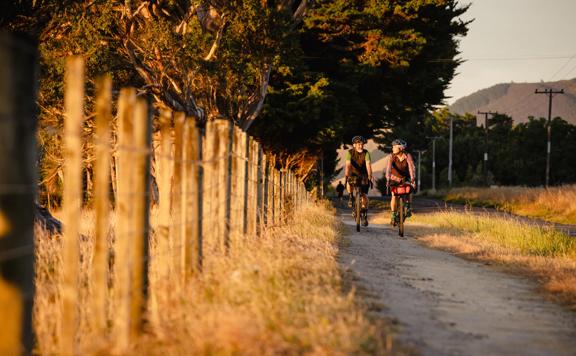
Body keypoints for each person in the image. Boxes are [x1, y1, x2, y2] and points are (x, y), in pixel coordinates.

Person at [385, 139, 416, 226]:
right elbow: (388, 168)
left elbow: (411, 167)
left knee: (410, 189)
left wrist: (413, 178)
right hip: (393, 179)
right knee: (394, 196)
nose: (393, 148)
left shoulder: (407, 156)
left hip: (405, 178)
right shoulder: (391, 156)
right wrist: (387, 177)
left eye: (394, 147)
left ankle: (408, 206)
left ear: (401, 148)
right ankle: (394, 214)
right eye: (393, 146)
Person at [344, 135, 373, 226]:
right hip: (353, 174)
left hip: (364, 175)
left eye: (362, 144)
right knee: (349, 181)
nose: (361, 145)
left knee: (364, 195)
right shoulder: (350, 153)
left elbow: (368, 165)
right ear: (354, 145)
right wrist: (346, 175)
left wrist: (370, 175)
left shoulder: (366, 153)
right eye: (358, 144)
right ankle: (350, 197)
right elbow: (348, 165)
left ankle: (364, 214)